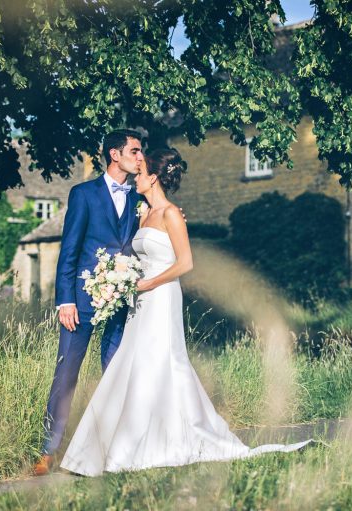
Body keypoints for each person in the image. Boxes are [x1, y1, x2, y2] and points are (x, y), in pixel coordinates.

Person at [59, 148, 310, 476]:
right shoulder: (142, 213)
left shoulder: (171, 214)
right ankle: (116, 443)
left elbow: (185, 262)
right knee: (131, 362)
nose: (136, 175)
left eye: (141, 171)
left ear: (153, 178)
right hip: (140, 300)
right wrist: (121, 278)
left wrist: (150, 284)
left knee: (160, 360)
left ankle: (158, 441)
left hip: (162, 297)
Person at [33, 129, 144, 476]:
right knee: (66, 373)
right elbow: (69, 249)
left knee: (115, 373)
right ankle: (47, 451)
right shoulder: (84, 194)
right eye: (135, 151)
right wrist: (64, 299)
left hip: (120, 301)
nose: (140, 157)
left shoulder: (139, 200)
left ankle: (110, 450)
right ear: (115, 154)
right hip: (80, 301)